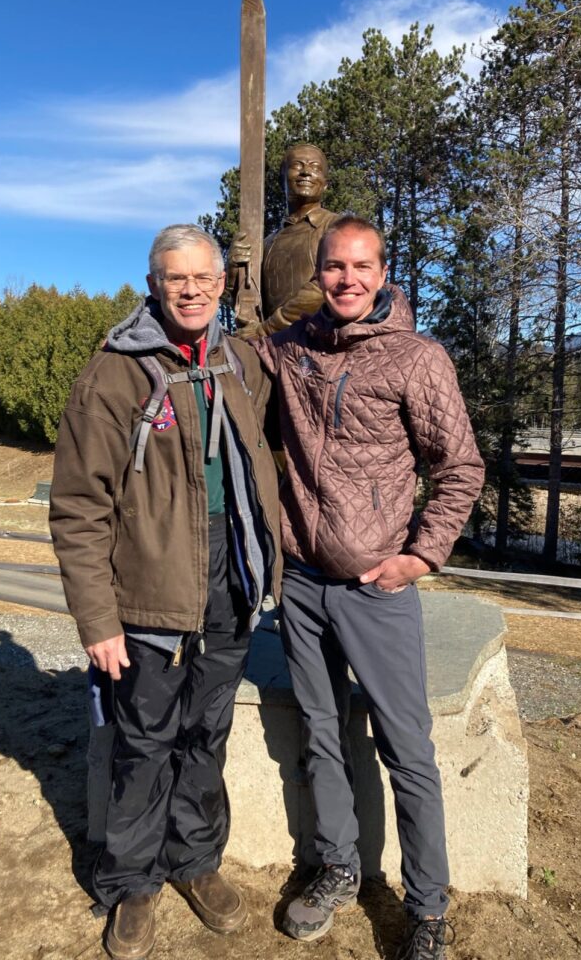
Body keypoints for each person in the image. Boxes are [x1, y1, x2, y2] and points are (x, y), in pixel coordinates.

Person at [254, 217, 485, 960]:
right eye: (333, 267)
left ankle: (425, 910)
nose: (346, 279)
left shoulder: (417, 360)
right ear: (315, 274)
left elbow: (459, 469)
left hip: (377, 589)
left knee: (405, 749)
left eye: (361, 266)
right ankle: (338, 867)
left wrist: (419, 557)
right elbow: (218, 369)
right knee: (321, 737)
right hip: (303, 586)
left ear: (383, 272)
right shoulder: (287, 351)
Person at [49, 224, 281, 960]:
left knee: (204, 736)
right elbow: (79, 508)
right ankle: (131, 885)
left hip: (229, 581)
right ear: (152, 284)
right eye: (174, 278)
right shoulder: (112, 375)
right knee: (144, 743)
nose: (190, 290)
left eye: (202, 279)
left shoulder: (236, 360)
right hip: (149, 590)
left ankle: (195, 862)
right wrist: (97, 619)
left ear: (221, 286)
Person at [228, 143, 338, 338]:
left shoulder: (336, 228)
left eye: (315, 167)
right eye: (297, 165)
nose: (306, 172)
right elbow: (249, 302)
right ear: (282, 179)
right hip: (274, 353)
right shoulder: (268, 243)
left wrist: (265, 330)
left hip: (322, 348)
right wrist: (235, 272)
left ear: (326, 183)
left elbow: (324, 287)